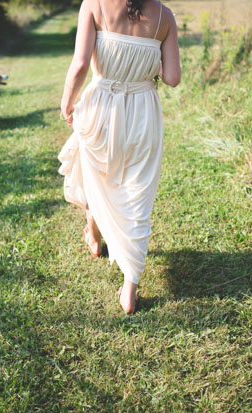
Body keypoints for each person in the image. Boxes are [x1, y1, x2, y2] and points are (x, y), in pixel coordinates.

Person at [58, 0, 180, 314]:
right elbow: (172, 78)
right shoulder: (165, 16)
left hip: (100, 107)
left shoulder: (94, 4)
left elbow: (81, 64)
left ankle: (94, 236)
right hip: (142, 110)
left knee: (100, 177)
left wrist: (67, 103)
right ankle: (130, 288)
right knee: (137, 194)